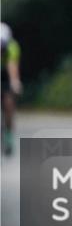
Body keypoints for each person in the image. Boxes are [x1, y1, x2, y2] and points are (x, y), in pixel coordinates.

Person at [1, 22, 23, 156]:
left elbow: (12, 67)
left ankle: (8, 135)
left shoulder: (12, 48)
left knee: (9, 104)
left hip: (5, 75)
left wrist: (15, 83)